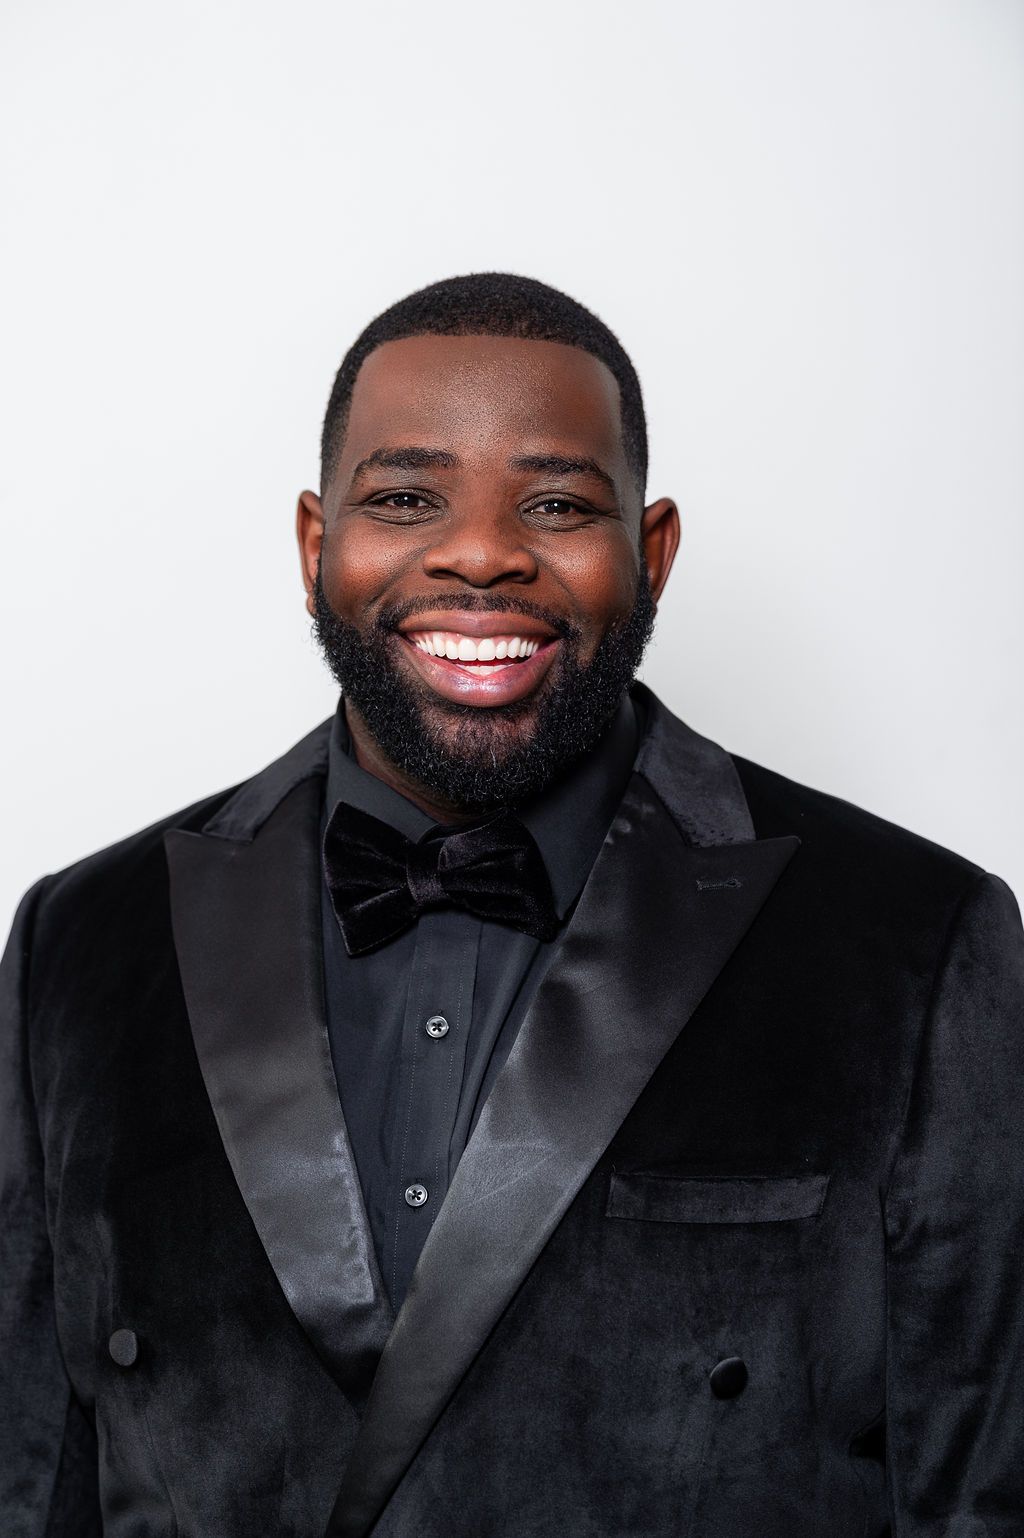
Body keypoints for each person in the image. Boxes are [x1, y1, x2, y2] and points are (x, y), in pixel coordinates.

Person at [1, 273, 1021, 1538]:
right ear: (317, 542)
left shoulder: (916, 939)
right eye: (405, 497)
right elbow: (31, 1475)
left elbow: (984, 1490)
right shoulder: (80, 941)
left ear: (649, 554)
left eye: (555, 503)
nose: (481, 550)